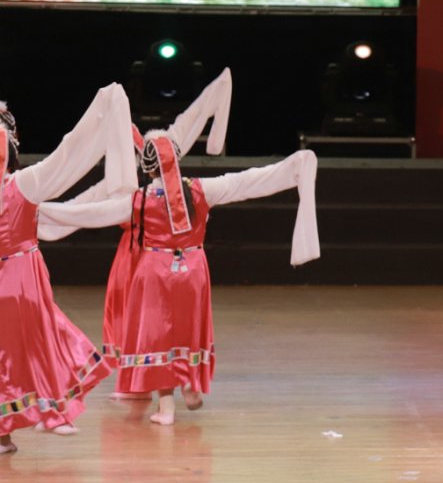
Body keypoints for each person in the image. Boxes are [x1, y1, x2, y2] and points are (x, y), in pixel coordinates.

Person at [38, 134, 319, 427]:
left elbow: (89, 214)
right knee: (188, 328)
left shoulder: (139, 199)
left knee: (158, 336)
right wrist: (293, 166)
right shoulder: (202, 189)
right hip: (193, 269)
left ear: (147, 167)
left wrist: (41, 210)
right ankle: (189, 383)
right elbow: (247, 181)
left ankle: (166, 406)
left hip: (155, 271)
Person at [39, 68, 232, 400]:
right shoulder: (129, 164)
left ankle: (159, 381)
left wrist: (46, 216)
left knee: (148, 318)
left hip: (146, 252)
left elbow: (196, 113)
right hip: (137, 249)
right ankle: (144, 381)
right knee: (138, 318)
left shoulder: (154, 155)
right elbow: (92, 203)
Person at [0, 85, 136, 453]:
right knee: (32, 345)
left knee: (18, 349)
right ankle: (41, 414)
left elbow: (67, 155)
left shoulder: (23, 184)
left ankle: (25, 423)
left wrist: (102, 110)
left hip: (19, 274)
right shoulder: (23, 183)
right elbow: (68, 154)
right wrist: (102, 111)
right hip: (19, 275)